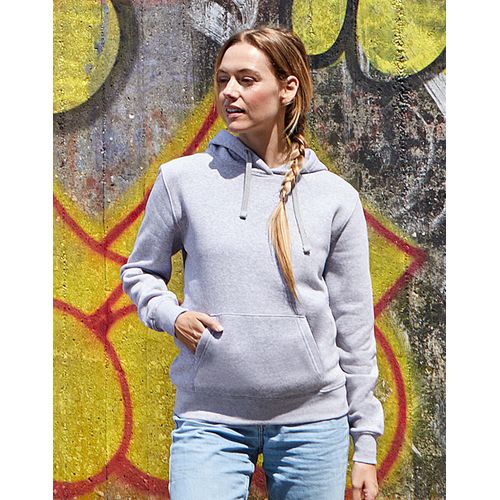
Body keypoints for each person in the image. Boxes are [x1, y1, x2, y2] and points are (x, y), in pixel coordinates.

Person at [120, 25, 384, 500]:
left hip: (313, 423)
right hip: (209, 420)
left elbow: (354, 325)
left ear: (288, 89)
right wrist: (170, 315)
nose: (229, 92)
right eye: (223, 79)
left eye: (246, 79)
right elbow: (140, 271)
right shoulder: (182, 181)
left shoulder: (334, 197)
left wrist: (365, 441)